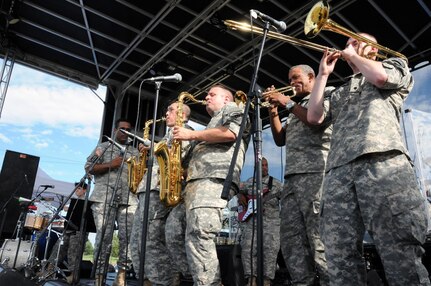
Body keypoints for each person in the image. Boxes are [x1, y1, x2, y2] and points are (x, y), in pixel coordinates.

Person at [307, 34, 430, 285]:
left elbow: (381, 78)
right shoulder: (339, 91)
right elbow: (314, 117)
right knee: (338, 253)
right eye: (349, 42)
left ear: (373, 49)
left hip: (382, 163)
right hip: (338, 173)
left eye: (357, 41)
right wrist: (322, 75)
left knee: (400, 250)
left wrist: (352, 55)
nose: (349, 45)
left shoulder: (395, 64)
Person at [172, 84, 249, 285]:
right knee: (173, 231)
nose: (206, 97)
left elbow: (231, 133)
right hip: (195, 183)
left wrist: (191, 135)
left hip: (213, 179)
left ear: (226, 99)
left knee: (200, 233)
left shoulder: (233, 109)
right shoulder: (211, 123)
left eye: (212, 94)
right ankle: (196, 278)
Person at [263, 64, 331, 285]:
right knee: (292, 242)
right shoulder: (296, 107)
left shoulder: (322, 96)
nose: (292, 83)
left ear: (311, 76)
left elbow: (316, 120)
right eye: (290, 79)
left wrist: (285, 101)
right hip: (292, 181)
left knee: (319, 240)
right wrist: (273, 111)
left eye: (295, 78)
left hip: (316, 175)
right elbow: (280, 139)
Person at [129, 101, 194, 285]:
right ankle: (148, 277)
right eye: (167, 110)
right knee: (138, 239)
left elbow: (176, 159)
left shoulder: (185, 132)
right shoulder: (168, 134)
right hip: (150, 188)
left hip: (161, 190)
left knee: (151, 238)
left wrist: (155, 148)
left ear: (183, 115)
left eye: (171, 110)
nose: (167, 113)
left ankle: (164, 279)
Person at [85, 118, 139, 286]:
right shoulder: (103, 146)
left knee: (129, 239)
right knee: (103, 238)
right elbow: (88, 167)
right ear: (115, 129)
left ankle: (121, 275)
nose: (125, 132)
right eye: (122, 128)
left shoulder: (136, 152)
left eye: (128, 129)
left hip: (129, 200)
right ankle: (99, 278)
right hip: (104, 198)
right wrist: (111, 164)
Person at [237, 157, 282, 286]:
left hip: (271, 223)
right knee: (248, 249)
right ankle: (251, 279)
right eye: (262, 165)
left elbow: (286, 195)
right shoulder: (249, 182)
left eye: (266, 165)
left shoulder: (276, 184)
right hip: (252, 223)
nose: (265, 167)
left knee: (270, 250)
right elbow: (237, 189)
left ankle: (267, 280)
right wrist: (240, 196)